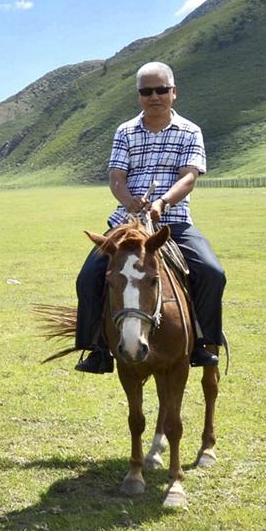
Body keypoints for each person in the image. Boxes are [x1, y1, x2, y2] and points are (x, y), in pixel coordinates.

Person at [74, 61, 225, 373]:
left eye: (161, 90)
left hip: (173, 222)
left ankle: (201, 343)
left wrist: (162, 203)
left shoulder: (190, 131)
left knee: (212, 273)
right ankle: (97, 349)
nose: (154, 96)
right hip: (126, 223)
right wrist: (129, 200)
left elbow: (189, 178)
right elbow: (117, 177)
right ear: (139, 95)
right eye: (146, 91)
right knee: (88, 277)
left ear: (174, 92)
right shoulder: (125, 131)